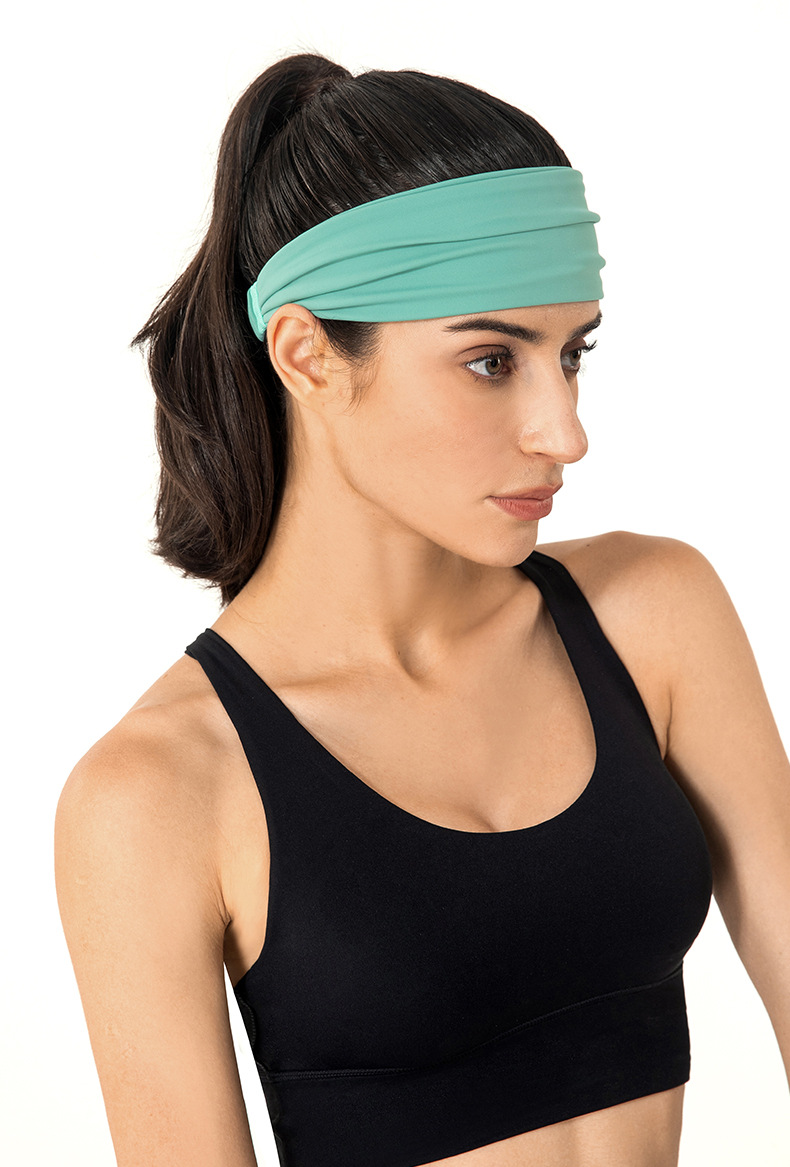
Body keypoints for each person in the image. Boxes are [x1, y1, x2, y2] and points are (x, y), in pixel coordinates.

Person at [54, 52, 790, 1167]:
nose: (565, 431)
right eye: (491, 361)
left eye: (572, 354)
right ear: (306, 354)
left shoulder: (653, 615)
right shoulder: (158, 791)